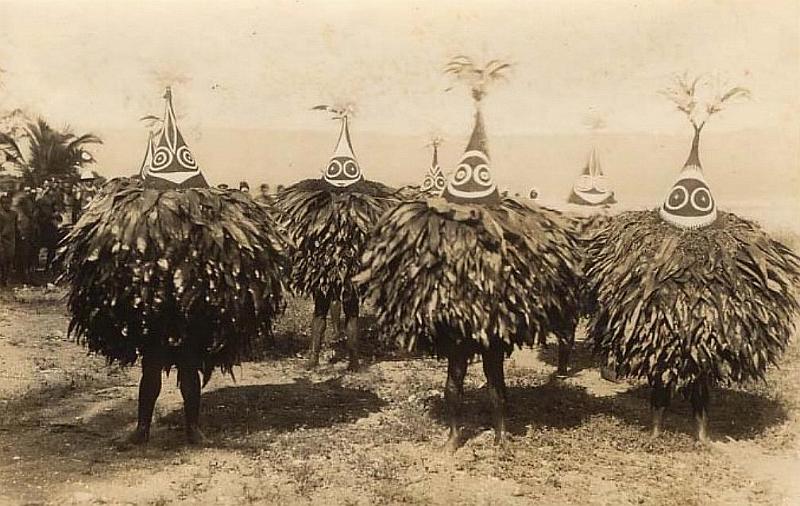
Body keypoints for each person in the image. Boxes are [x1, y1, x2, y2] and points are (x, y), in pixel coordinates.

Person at [275, 105, 395, 371]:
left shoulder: (327, 204)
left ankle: (321, 357)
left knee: (328, 310)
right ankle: (339, 358)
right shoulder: (358, 205)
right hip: (341, 266)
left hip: (333, 266)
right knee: (342, 310)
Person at [0, 194, 18, 286]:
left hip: (11, 239)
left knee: (9, 259)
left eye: (8, 203)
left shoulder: (14, 214)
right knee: (2, 260)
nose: (6, 205)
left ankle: (6, 278)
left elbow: (15, 227)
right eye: (4, 203)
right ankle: (3, 279)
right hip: (2, 239)